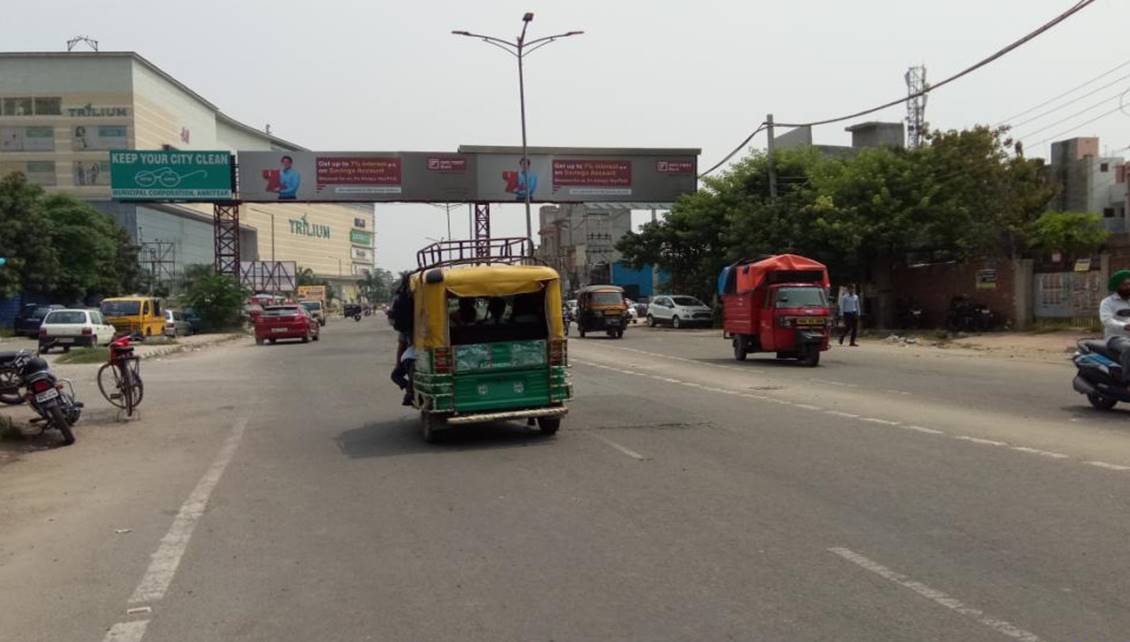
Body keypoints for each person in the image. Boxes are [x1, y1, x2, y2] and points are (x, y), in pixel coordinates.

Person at [1100, 269, 1130, 385]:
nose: (1128, 287)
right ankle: (1128, 382)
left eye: (1129, 284)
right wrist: (1125, 326)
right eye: (1125, 284)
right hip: (1115, 338)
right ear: (1118, 286)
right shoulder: (1107, 302)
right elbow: (1107, 321)